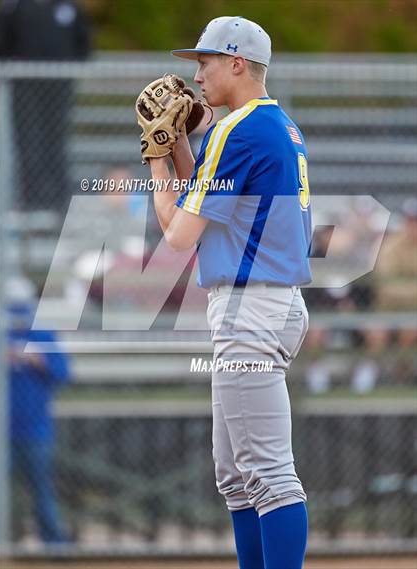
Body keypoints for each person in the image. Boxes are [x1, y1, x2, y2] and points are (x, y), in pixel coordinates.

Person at [145, 17, 312, 569]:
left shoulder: (238, 130)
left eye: (206, 61)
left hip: (252, 307)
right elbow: (213, 204)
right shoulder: (268, 125)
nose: (198, 73)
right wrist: (183, 150)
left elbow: (176, 233)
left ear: (238, 63)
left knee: (266, 474)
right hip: (265, 301)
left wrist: (155, 155)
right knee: (236, 476)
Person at [0, 0, 92, 211]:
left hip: (59, 91)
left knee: (56, 145)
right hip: (24, 91)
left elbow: (83, 45)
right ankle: (30, 205)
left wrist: (66, 72)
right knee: (28, 144)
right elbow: (2, 45)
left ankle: (59, 204)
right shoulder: (15, 7)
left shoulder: (69, 7)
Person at [7, 277, 71, 543]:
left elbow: (64, 374)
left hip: (36, 429)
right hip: (3, 430)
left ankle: (53, 544)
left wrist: (38, 361)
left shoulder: (41, 334)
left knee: (41, 489)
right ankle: (6, 540)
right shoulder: (2, 332)